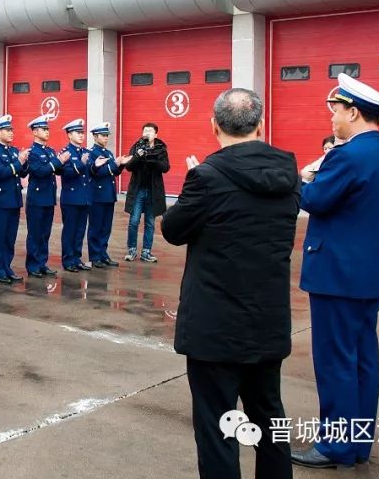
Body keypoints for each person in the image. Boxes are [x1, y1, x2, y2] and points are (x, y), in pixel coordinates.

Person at [161, 88, 298, 479]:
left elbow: (172, 229)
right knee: (271, 420)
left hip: (215, 327)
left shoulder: (207, 176)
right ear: (260, 125)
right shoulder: (288, 174)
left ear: (214, 125)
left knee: (219, 427)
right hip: (267, 322)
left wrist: (191, 183)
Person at [291, 74, 379, 470]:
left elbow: (316, 201)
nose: (332, 120)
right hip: (368, 275)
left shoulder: (347, 155)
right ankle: (357, 443)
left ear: (353, 112)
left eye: (336, 111)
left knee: (335, 361)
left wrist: (299, 180)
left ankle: (335, 446)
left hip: (336, 275)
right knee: (362, 360)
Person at [0, 115, 29, 284]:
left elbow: (23, 173)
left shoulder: (13, 151)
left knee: (10, 238)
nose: (11, 133)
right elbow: (0, 174)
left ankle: (7, 267)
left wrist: (25, 162)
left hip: (13, 200)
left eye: (11, 130)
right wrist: (18, 163)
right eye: (6, 130)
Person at [25, 115, 69, 277]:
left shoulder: (50, 151)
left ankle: (42, 263)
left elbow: (57, 169)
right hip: (36, 199)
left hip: (48, 198)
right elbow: (40, 171)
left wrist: (62, 162)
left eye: (47, 129)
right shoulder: (33, 152)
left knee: (45, 233)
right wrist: (58, 162)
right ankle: (33, 265)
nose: (47, 132)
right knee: (35, 233)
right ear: (35, 132)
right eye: (43, 130)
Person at [123, 122, 169, 262]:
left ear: (156, 134)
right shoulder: (137, 146)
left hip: (153, 191)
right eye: (145, 130)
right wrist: (138, 155)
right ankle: (131, 250)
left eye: (150, 131)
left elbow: (166, 167)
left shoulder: (161, 148)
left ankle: (146, 252)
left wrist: (153, 159)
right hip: (138, 190)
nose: (147, 133)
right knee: (134, 221)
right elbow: (128, 166)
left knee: (150, 222)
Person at [59, 119, 94, 272]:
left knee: (80, 230)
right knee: (70, 230)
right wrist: (80, 163)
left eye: (82, 133)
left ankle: (76, 258)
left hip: (84, 197)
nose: (81, 136)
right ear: (69, 135)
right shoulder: (65, 153)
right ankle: (68, 260)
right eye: (77, 133)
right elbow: (66, 173)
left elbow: (91, 172)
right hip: (71, 198)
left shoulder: (86, 152)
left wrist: (95, 166)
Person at [87, 123, 122, 267]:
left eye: (107, 135)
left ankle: (103, 254)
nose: (106, 138)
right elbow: (98, 173)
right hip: (97, 195)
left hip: (108, 194)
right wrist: (115, 164)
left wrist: (121, 164)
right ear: (95, 137)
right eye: (103, 135)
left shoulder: (108, 153)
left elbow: (114, 172)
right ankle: (95, 256)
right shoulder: (92, 153)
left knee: (106, 227)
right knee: (96, 226)